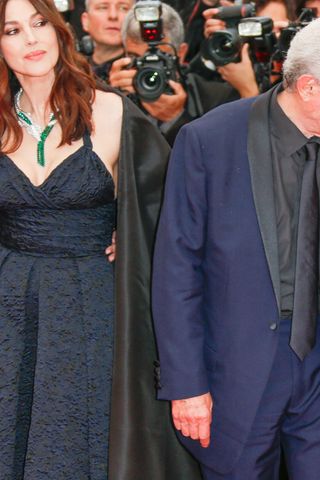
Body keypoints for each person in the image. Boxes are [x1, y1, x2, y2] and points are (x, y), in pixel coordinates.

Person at [152, 15, 320, 479]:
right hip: (235, 370)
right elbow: (177, 268)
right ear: (310, 87)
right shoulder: (208, 141)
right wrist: (186, 383)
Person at [0, 0, 200, 478]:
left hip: (92, 304)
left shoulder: (110, 111)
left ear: (61, 31)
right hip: (8, 304)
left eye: (39, 23)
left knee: (82, 435)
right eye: (11, 29)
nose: (30, 39)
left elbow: (169, 211)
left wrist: (127, 231)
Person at [108, 2, 239, 145]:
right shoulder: (114, 96)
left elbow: (215, 156)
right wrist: (111, 99)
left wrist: (176, 118)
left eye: (158, 57)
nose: (147, 68)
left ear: (181, 53)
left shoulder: (216, 98)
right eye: (136, 58)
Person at [81, 0, 134, 81]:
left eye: (123, 8)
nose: (113, 15)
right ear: (85, 21)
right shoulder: (69, 69)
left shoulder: (143, 70)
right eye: (103, 8)